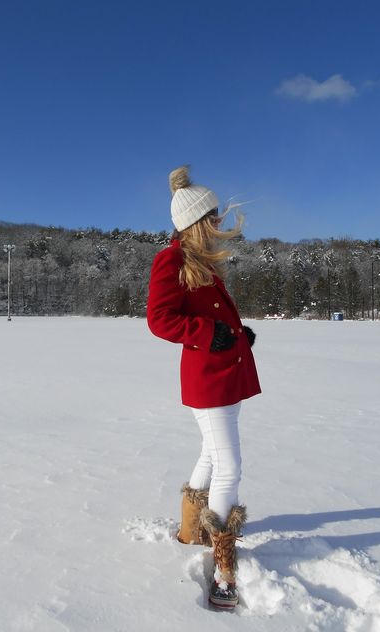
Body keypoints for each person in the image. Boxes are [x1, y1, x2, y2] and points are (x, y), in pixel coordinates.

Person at [146, 165, 261, 609]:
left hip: (226, 372)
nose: (217, 223)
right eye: (211, 217)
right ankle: (223, 565)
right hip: (207, 379)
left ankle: (191, 529)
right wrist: (206, 333)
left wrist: (235, 333)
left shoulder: (201, 261)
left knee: (213, 456)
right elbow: (160, 319)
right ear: (194, 221)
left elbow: (212, 313)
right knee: (230, 466)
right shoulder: (170, 259)